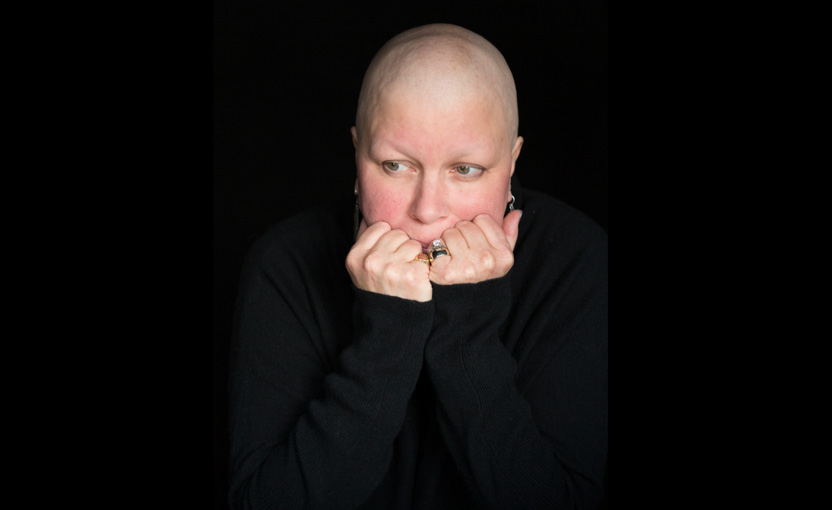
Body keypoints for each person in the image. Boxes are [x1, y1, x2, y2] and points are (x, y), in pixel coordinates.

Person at [228, 23, 607, 509]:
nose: (427, 210)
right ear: (357, 152)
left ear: (511, 162)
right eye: (395, 165)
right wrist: (389, 330)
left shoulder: (578, 260)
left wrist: (467, 326)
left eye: (465, 170)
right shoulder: (283, 263)